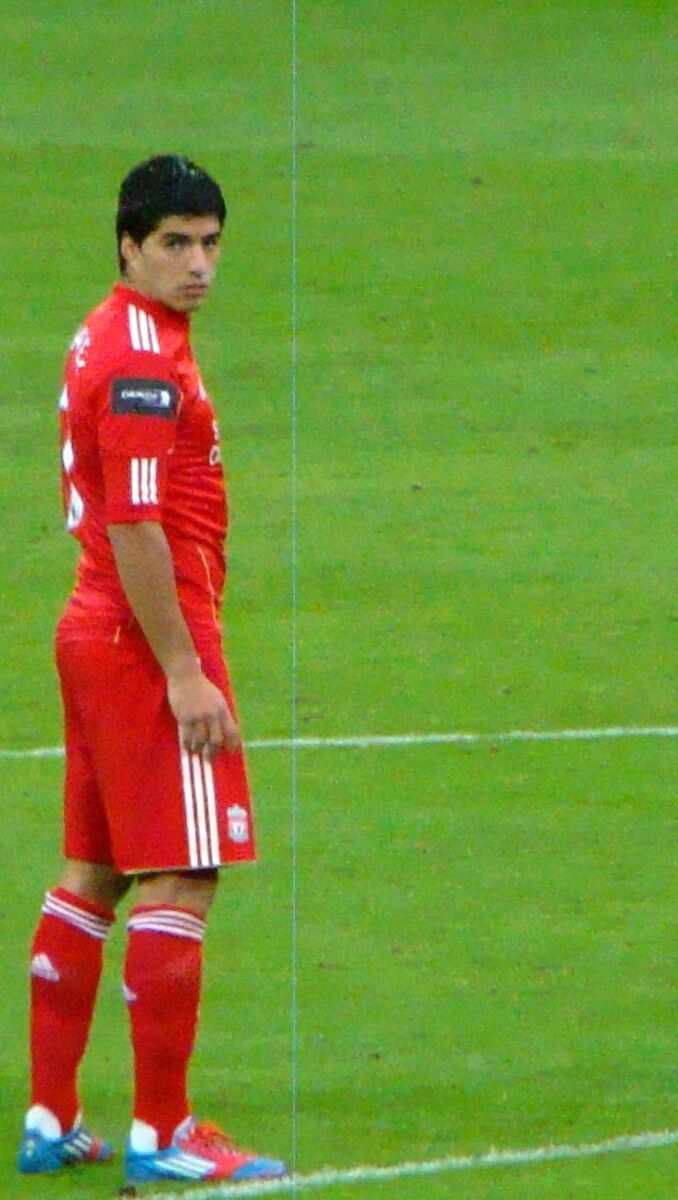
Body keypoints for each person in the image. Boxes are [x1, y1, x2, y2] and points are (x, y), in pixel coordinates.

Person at [18, 155, 287, 1182]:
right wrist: (184, 669)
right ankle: (163, 1134)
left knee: (92, 871)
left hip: (93, 628)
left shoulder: (114, 330)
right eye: (175, 243)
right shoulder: (140, 362)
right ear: (128, 246)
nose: (198, 263)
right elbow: (136, 523)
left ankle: (51, 1117)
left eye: (210, 243)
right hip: (144, 637)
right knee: (183, 872)